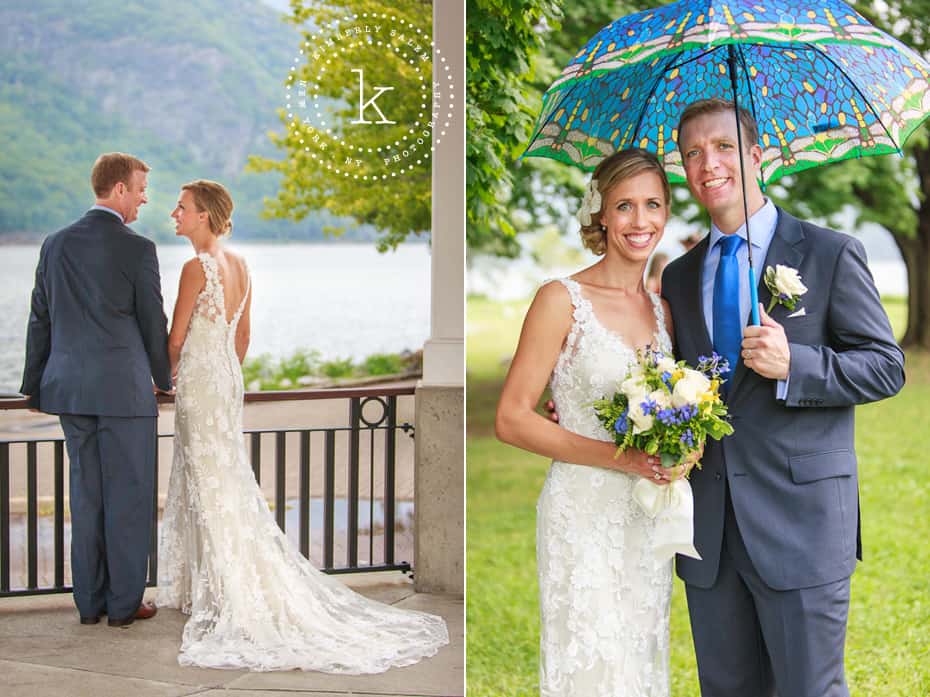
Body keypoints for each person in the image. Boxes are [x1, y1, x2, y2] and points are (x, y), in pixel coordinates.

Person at [661, 98, 904, 697]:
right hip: (709, 535)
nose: (707, 164)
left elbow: (886, 367)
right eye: (692, 153)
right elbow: (669, 382)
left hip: (802, 523)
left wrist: (797, 363)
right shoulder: (679, 276)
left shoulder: (828, 253)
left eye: (722, 147)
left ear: (757, 155)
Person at [155, 180, 448, 672]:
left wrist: (168, 379)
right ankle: (213, 583)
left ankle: (222, 590)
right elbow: (242, 336)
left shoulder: (193, 268)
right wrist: (223, 374)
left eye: (181, 207)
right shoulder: (242, 266)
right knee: (222, 482)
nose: (174, 214)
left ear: (203, 214)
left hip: (202, 386)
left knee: (208, 485)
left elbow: (175, 338)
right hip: (226, 381)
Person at [496, 149, 691, 696]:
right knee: (589, 661)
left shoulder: (663, 309)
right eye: (624, 206)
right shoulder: (561, 300)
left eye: (652, 204)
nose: (640, 221)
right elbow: (512, 419)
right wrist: (623, 459)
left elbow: (674, 410)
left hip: (647, 516)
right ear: (600, 214)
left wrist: (684, 445)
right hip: (582, 510)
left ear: (667, 213)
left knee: (639, 656)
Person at [20, 152, 171, 627]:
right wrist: (164, 381)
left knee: (86, 498)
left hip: (69, 391)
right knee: (128, 500)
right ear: (120, 189)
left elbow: (40, 316)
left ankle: (90, 603)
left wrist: (33, 385)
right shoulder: (138, 249)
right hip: (124, 394)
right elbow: (152, 322)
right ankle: (124, 605)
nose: (145, 198)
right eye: (141, 188)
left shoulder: (55, 243)